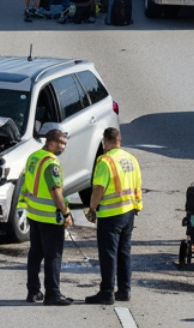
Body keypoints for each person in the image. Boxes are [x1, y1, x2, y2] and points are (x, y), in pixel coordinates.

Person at [83, 127, 143, 304]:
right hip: (129, 212)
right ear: (119, 140)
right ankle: (124, 290)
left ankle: (107, 292)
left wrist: (92, 208)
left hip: (111, 214)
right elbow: (137, 184)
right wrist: (137, 206)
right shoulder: (131, 159)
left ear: (105, 141)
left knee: (108, 254)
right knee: (124, 252)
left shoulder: (105, 161)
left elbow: (98, 188)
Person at [17, 128, 73, 306]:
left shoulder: (34, 157)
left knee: (35, 253)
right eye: (61, 143)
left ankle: (33, 291)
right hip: (49, 217)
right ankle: (53, 294)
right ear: (51, 142)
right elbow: (55, 191)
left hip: (34, 214)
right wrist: (66, 212)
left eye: (65, 143)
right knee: (53, 256)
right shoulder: (51, 163)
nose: (63, 147)